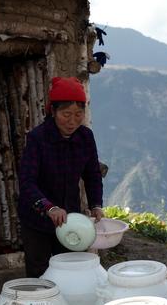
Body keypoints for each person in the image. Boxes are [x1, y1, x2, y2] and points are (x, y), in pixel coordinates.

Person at [17, 76, 104, 278]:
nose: (72, 121)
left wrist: (96, 204)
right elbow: (27, 181)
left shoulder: (85, 137)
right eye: (66, 114)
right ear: (53, 111)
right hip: (36, 219)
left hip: (69, 220)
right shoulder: (38, 138)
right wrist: (49, 207)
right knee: (40, 272)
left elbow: (92, 174)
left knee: (71, 269)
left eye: (78, 114)